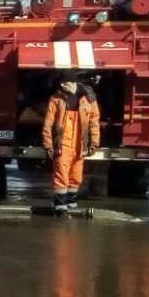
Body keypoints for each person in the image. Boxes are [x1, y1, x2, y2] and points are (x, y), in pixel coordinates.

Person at [41, 71, 100, 215]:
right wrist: (48, 144)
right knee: (61, 174)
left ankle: (71, 202)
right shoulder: (56, 99)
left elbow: (94, 122)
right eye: (61, 82)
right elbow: (48, 124)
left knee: (76, 175)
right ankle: (60, 206)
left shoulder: (88, 99)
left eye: (65, 82)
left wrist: (94, 143)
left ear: (73, 83)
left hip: (80, 144)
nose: (62, 85)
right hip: (62, 144)